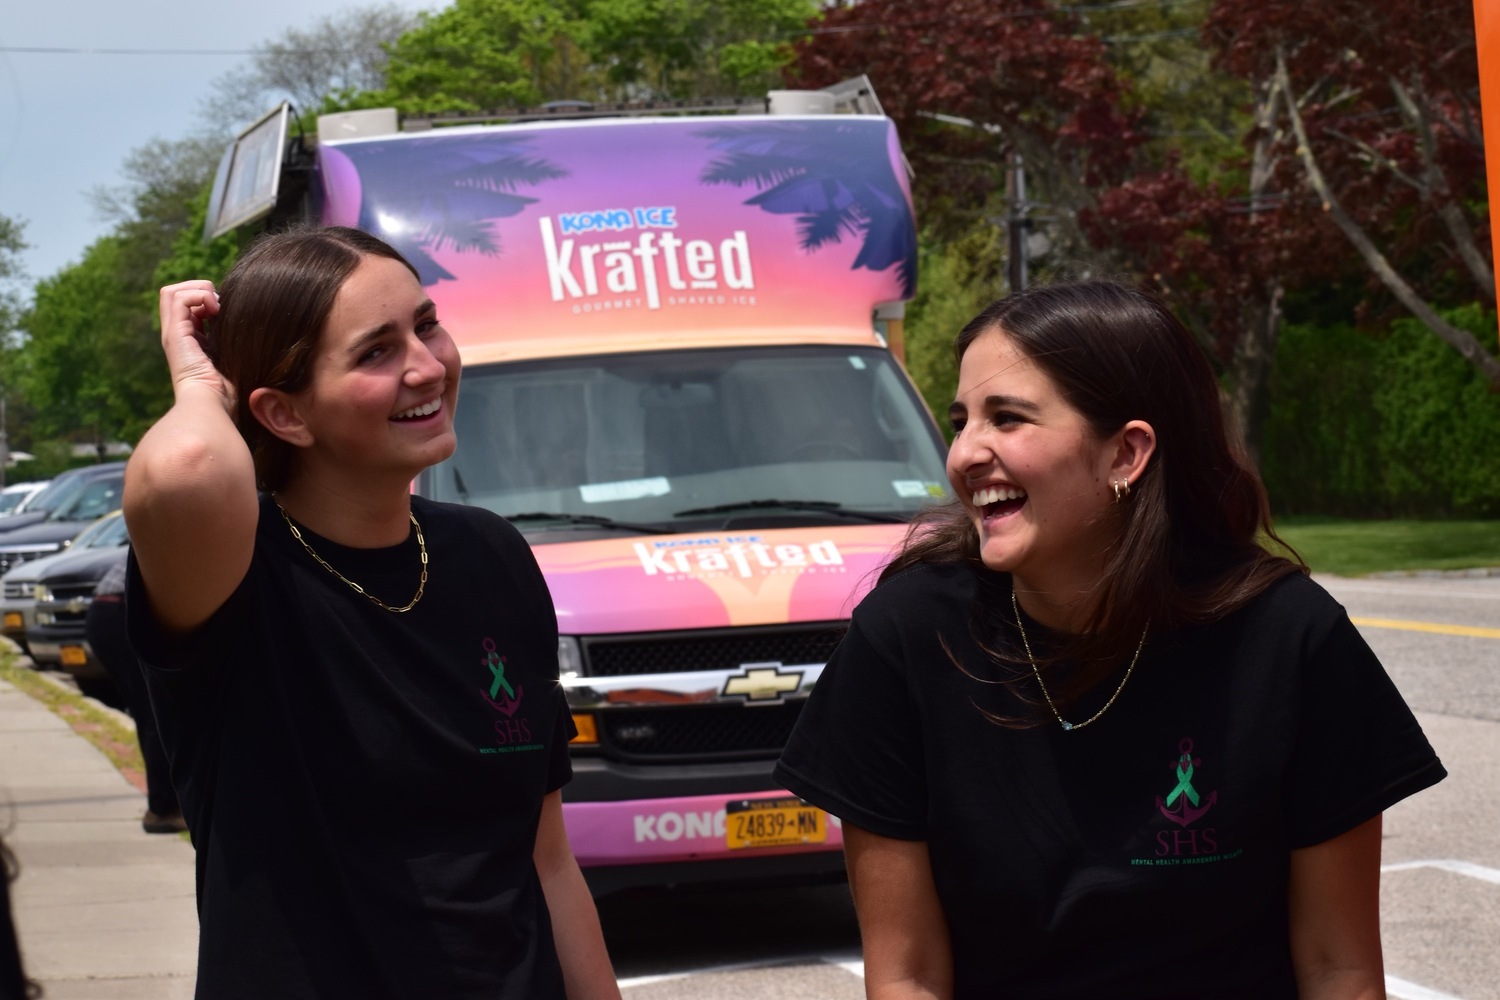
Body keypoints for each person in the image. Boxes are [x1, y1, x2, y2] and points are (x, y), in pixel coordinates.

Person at [773, 279, 1446, 1000]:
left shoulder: (1290, 641)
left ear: (1126, 454)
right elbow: (908, 976)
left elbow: (1338, 969)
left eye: (1008, 418)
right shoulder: (908, 636)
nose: (966, 453)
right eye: (962, 419)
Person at [123, 226, 620, 1000]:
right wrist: (197, 383)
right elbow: (184, 470)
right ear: (284, 415)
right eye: (376, 352)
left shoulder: (491, 555)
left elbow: (545, 858)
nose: (428, 367)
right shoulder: (237, 576)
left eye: (426, 326)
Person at [87, 554, 186, 834]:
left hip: (112, 611)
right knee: (155, 713)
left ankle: (168, 804)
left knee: (155, 713)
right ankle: (163, 810)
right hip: (119, 611)